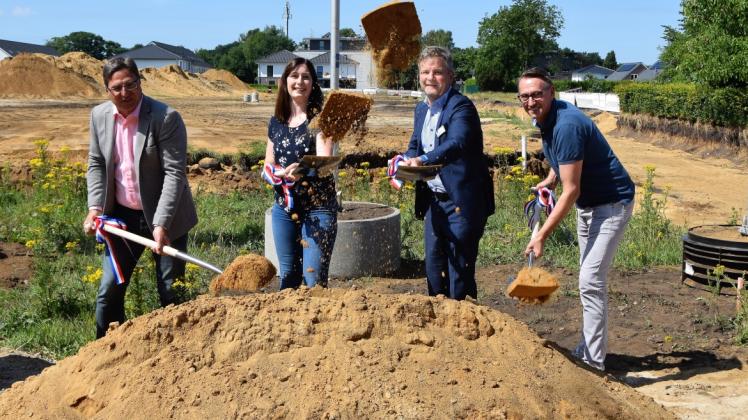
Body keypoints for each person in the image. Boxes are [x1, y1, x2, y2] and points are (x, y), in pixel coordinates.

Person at [518, 67, 635, 371]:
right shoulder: (547, 117)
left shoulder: (566, 125)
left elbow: (571, 191)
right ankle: (589, 348)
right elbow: (565, 163)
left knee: (590, 281)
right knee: (589, 280)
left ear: (551, 92)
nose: (531, 101)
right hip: (590, 206)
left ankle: (594, 364)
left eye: (537, 94)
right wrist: (551, 176)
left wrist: (541, 234)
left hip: (611, 204)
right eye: (525, 96)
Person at [83, 57, 197, 339]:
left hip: (166, 217)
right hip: (122, 218)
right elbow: (96, 163)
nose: (125, 93)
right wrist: (95, 208)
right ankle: (106, 355)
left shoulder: (165, 117)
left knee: (171, 290)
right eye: (116, 88)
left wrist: (161, 224)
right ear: (107, 90)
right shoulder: (99, 116)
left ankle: (180, 352)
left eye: (130, 84)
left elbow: (174, 174)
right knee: (109, 291)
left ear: (139, 81)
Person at [397, 46, 495, 300]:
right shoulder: (421, 109)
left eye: (437, 72)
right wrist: (404, 161)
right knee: (432, 266)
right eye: (425, 72)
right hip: (434, 203)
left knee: (459, 271)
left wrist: (424, 159)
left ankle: (466, 329)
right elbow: (415, 145)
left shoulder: (461, 107)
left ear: (450, 76)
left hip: (462, 202)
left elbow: (457, 143)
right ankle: (440, 329)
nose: (430, 78)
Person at [262, 57, 337, 289]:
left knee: (313, 280)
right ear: (284, 82)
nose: (300, 82)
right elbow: (268, 163)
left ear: (313, 83)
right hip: (284, 209)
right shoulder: (276, 122)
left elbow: (325, 163)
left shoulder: (321, 120)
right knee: (288, 276)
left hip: (318, 208)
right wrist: (275, 173)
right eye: (294, 76)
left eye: (306, 77)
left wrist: (301, 170)